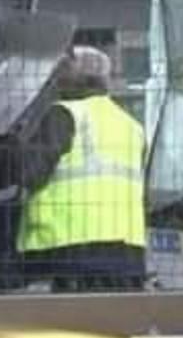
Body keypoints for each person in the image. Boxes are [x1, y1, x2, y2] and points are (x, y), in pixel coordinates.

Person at [16, 45, 148, 292]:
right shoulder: (132, 125)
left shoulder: (64, 114)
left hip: (67, 250)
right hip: (127, 254)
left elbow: (29, 174)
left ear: (67, 79)